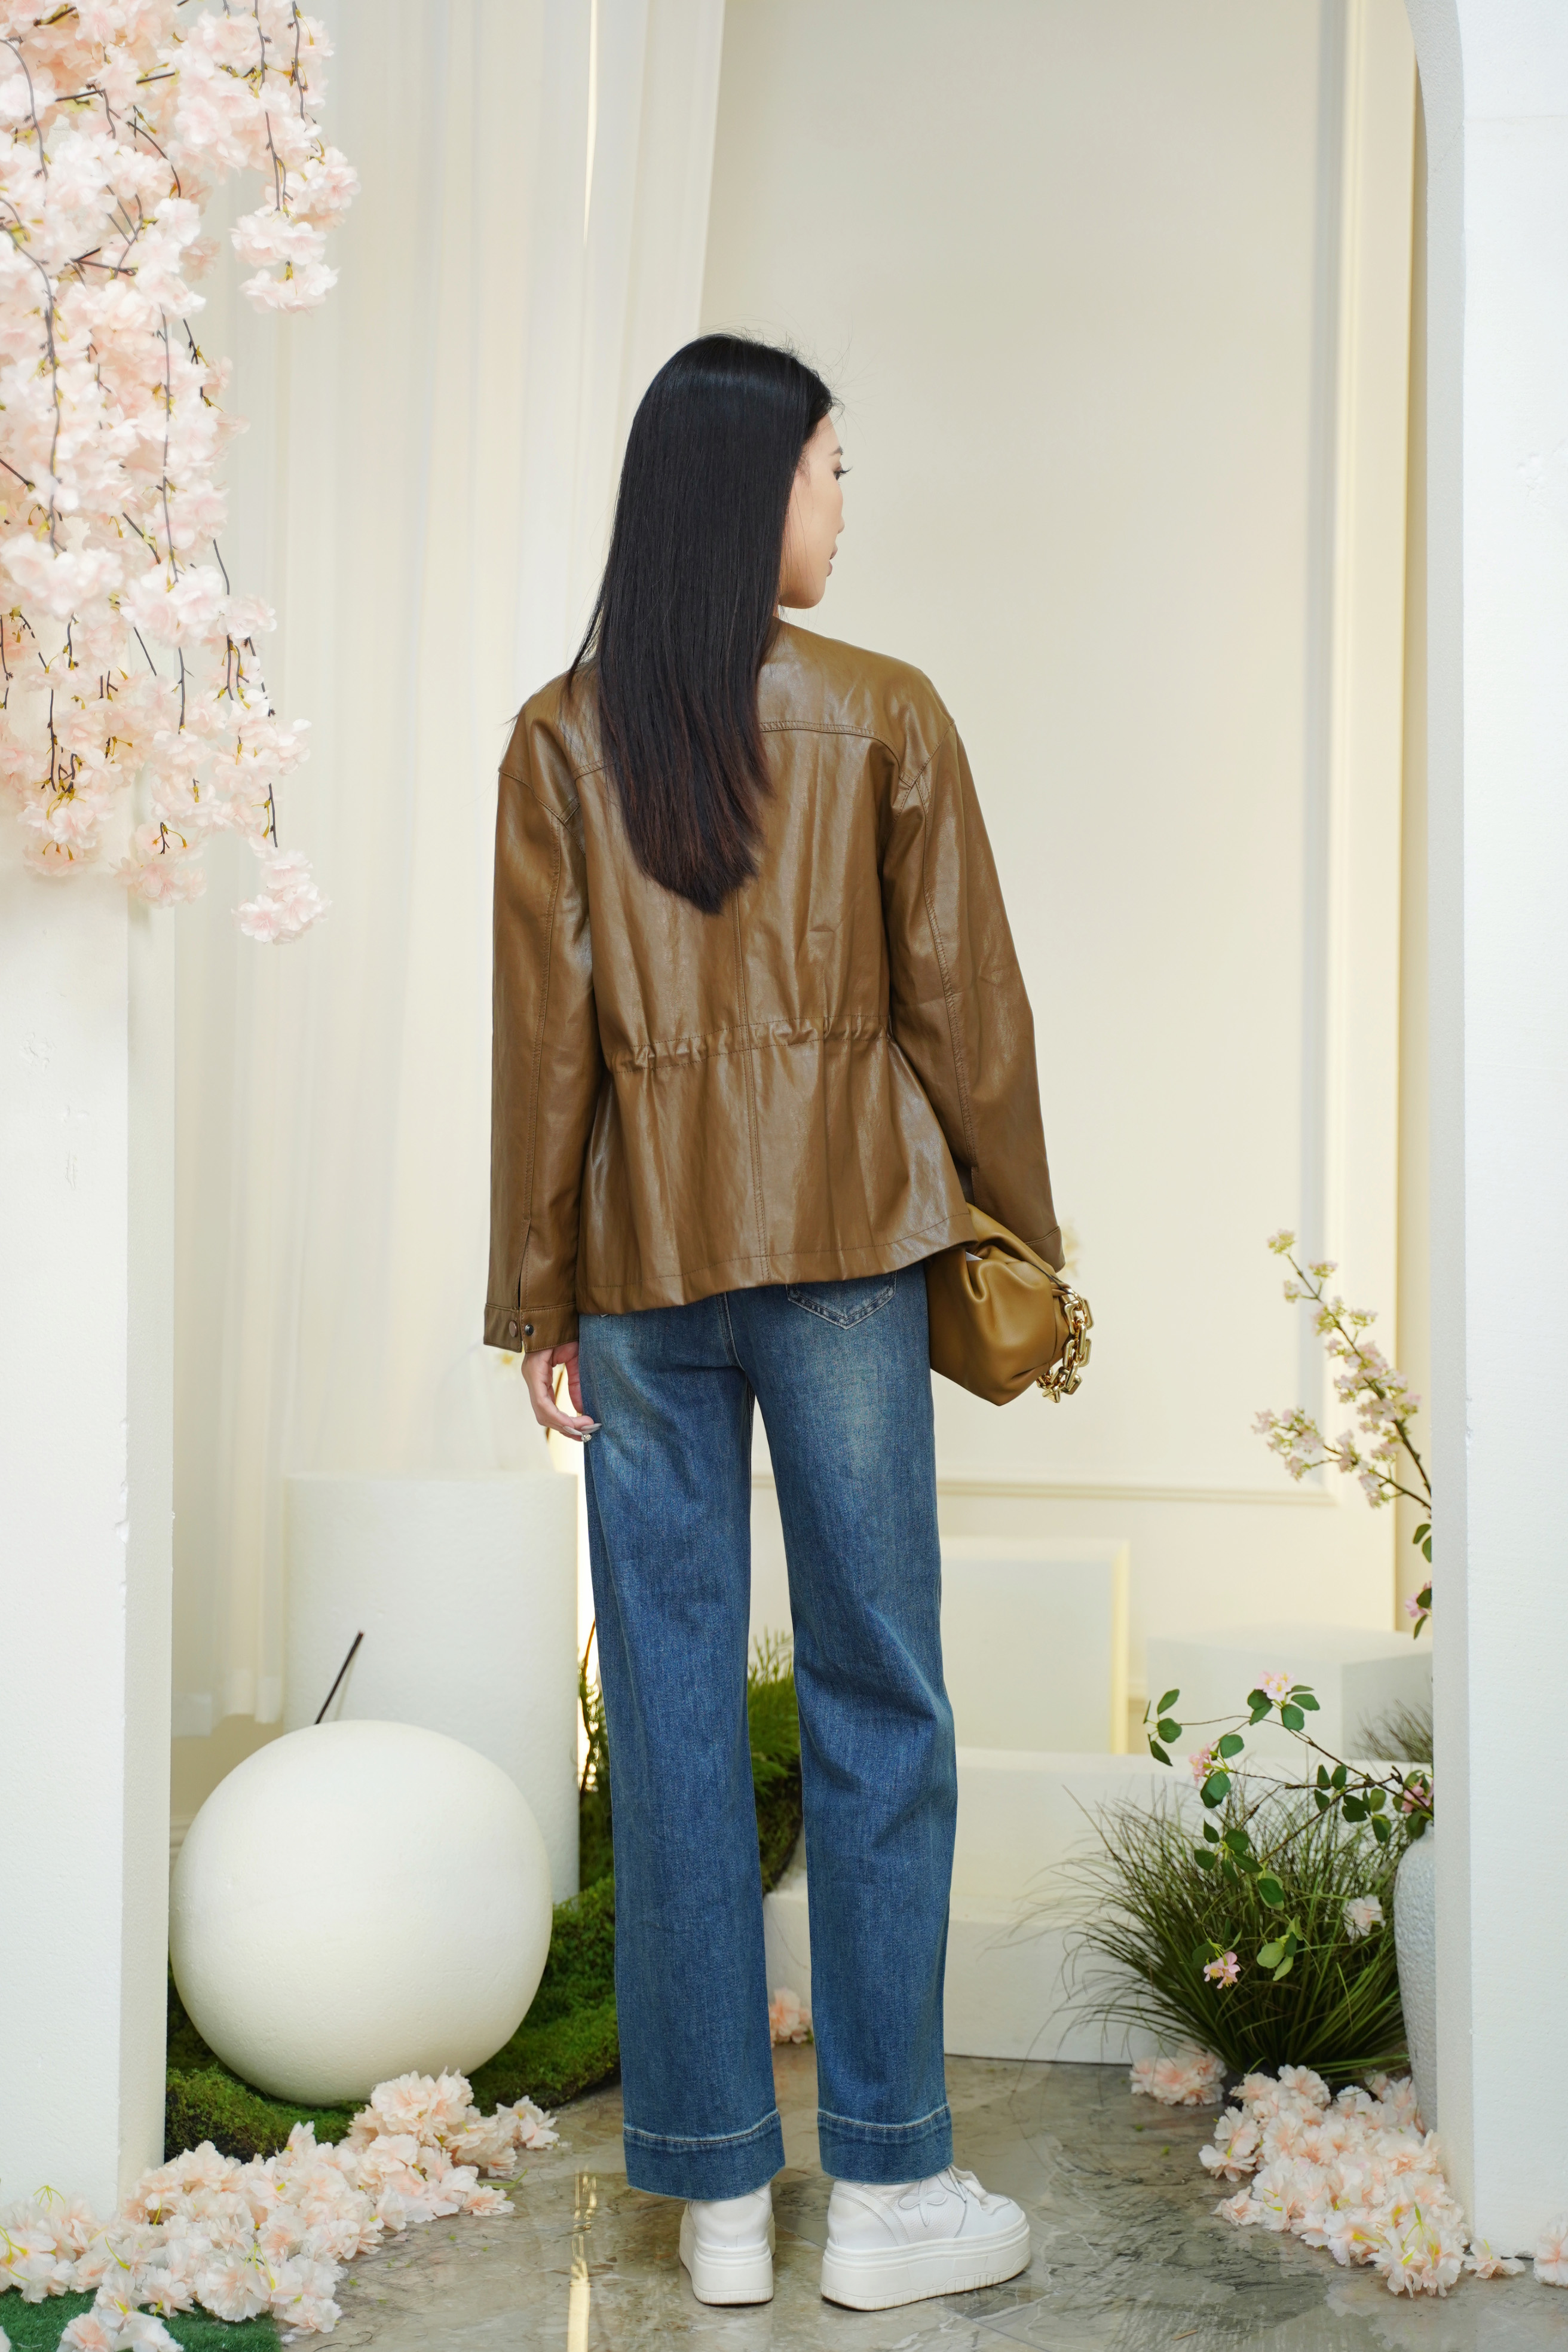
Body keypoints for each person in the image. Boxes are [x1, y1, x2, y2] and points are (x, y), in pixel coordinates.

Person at [486, 334, 1061, 2313]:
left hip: (640, 1265)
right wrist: (1024, 1235)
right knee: (878, 1695)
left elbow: (544, 1048)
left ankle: (718, 2197)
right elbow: (972, 1015)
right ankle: (891, 2188)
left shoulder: (560, 738)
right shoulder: (885, 712)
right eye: (831, 469)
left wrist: (538, 1294)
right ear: (757, 492)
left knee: (665, 1716)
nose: (842, 503)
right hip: (847, 1249)